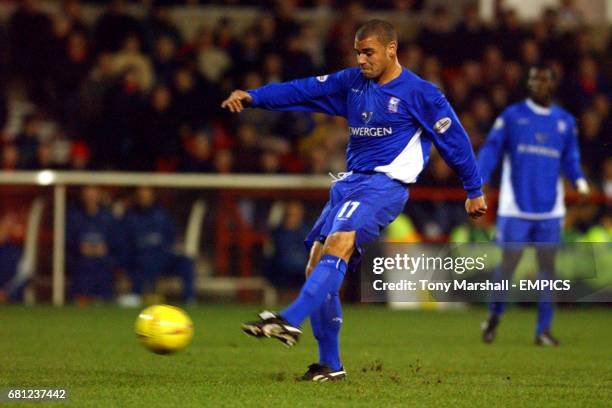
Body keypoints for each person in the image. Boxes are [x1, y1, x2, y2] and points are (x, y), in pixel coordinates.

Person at [221, 19, 487, 381]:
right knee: (315, 264)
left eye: (369, 52)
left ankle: (288, 319)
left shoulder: (421, 93)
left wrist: (473, 190)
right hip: (348, 185)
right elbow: (301, 90)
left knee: (339, 243)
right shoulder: (352, 83)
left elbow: (454, 141)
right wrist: (255, 97)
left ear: (392, 49)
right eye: (358, 52)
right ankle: (330, 365)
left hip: (385, 185)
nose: (362, 60)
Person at [478, 65, 589, 346]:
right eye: (533, 79)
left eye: (543, 79)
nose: (538, 84)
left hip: (550, 209)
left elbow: (570, 159)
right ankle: (493, 317)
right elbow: (491, 149)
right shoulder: (513, 117)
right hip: (515, 206)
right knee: (508, 265)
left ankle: (543, 330)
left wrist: (579, 180)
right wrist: (478, 178)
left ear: (553, 84)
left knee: (547, 270)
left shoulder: (564, 121)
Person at [123, 186, 195, 303]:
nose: (144, 196)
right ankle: (135, 295)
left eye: (146, 193)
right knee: (138, 263)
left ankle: (189, 298)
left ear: (152, 195)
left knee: (186, 261)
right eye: (141, 194)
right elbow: (125, 243)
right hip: (140, 259)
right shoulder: (130, 216)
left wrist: (165, 250)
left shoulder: (162, 214)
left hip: (162, 257)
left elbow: (171, 237)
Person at [66, 186, 122, 303]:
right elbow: (68, 241)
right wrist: (79, 248)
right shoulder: (74, 216)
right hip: (81, 261)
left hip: (104, 261)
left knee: (106, 268)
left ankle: (105, 300)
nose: (90, 197)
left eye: (93, 193)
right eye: (88, 193)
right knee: (81, 267)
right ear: (83, 196)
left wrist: (106, 248)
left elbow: (116, 241)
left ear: (99, 195)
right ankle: (80, 301)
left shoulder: (108, 216)